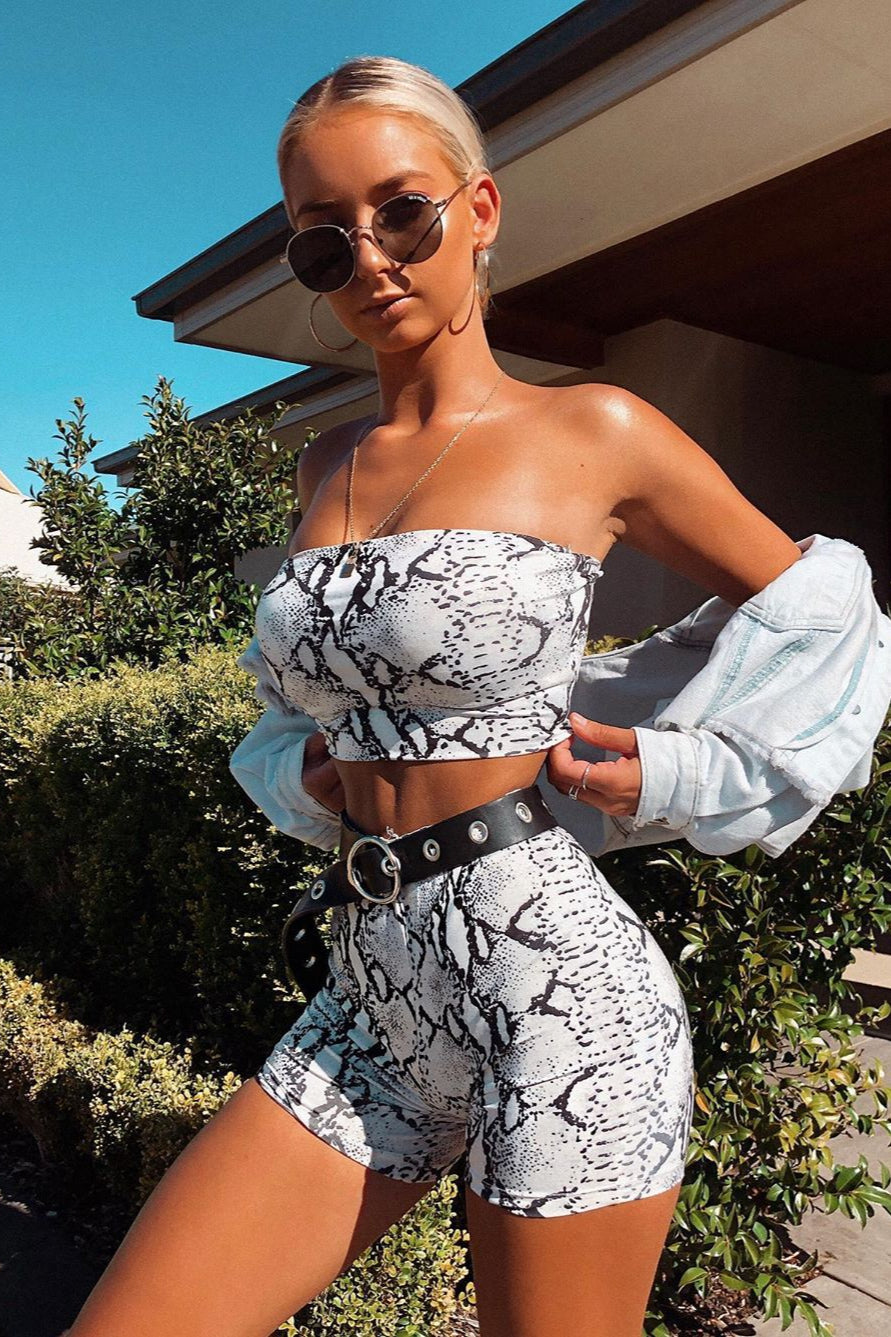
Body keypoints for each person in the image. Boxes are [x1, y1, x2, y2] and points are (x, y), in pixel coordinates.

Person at [66, 54, 889, 1337]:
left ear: (481, 209)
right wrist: (306, 771)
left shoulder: (595, 430)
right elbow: (302, 704)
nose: (371, 258)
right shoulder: (326, 465)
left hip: (557, 997)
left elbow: (825, 612)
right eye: (324, 241)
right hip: (373, 994)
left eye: (402, 212)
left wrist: (674, 771)